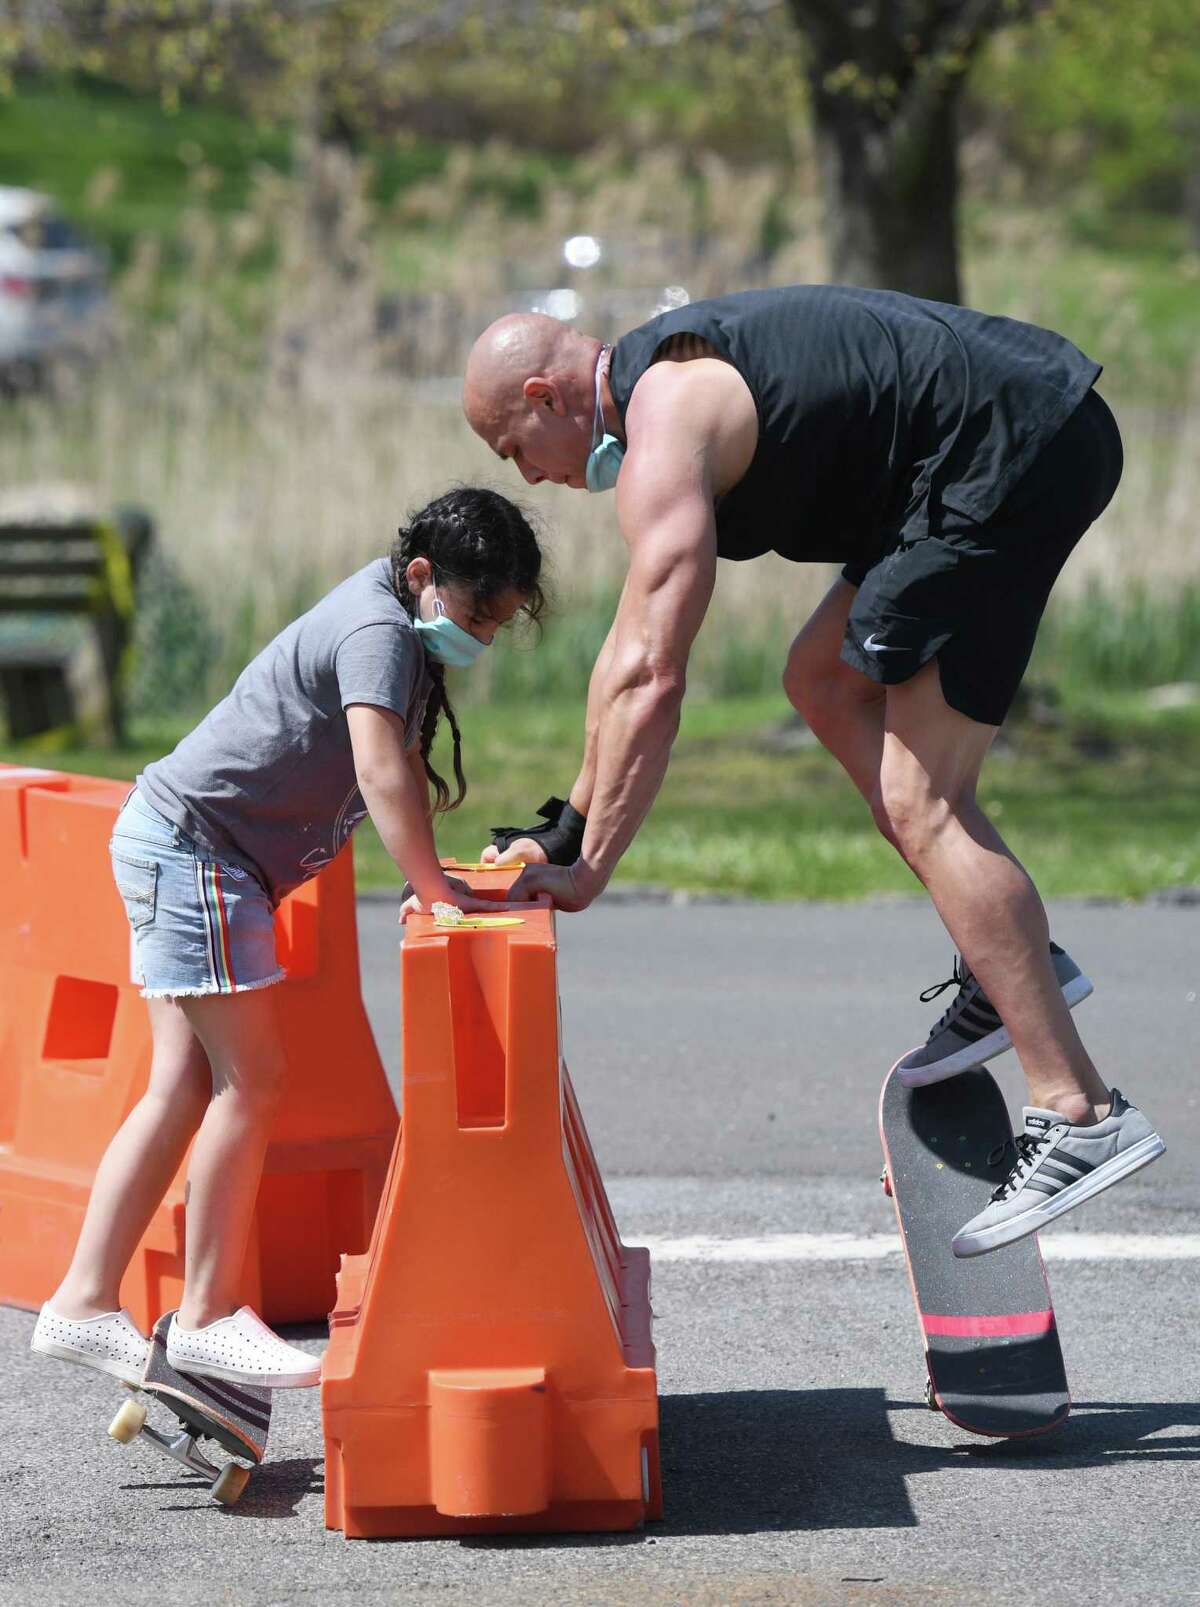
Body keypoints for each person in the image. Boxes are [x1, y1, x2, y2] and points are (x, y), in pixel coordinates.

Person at [462, 288, 1164, 1258]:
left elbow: (653, 673)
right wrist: (567, 822)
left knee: (927, 800)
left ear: (544, 395)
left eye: (513, 450)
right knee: (822, 679)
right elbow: (628, 646)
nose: (530, 478)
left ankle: (1078, 1110)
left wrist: (590, 866)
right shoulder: (668, 380)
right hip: (988, 444)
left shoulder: (666, 418)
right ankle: (1017, 968)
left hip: (1008, 443)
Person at [31, 487, 544, 1388]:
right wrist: (435, 893)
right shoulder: (379, 629)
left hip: (181, 844)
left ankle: (82, 1302)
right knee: (253, 1078)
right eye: (477, 615)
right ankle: (206, 1315)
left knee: (186, 1086)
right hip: (200, 854)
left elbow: (391, 771)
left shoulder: (391, 619)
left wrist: (435, 880)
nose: (483, 639)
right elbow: (381, 768)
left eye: (497, 625)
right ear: (423, 576)